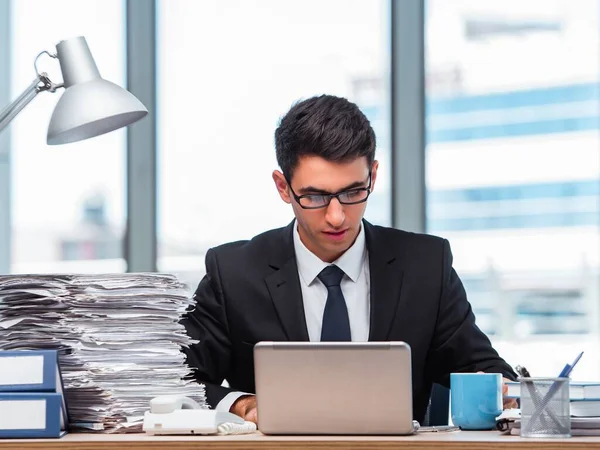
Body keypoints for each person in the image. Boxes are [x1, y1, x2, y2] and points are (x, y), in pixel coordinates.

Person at [182, 94, 517, 425]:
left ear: (372, 175)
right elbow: (178, 379)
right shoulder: (234, 273)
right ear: (283, 187)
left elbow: (483, 368)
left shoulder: (426, 266)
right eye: (315, 196)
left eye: (353, 192)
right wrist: (240, 403)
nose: (337, 216)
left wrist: (502, 389)